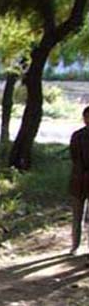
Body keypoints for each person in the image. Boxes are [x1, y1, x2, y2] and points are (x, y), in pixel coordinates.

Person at [69, 105, 89, 254]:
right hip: (78, 180)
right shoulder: (77, 135)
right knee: (77, 216)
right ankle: (75, 246)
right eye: (87, 117)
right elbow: (74, 157)